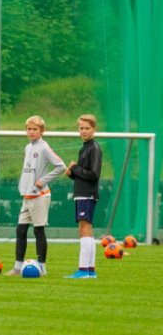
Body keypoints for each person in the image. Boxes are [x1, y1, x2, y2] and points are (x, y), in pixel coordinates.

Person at [7, 115, 66, 276]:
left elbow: (61, 166)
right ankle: (17, 267)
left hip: (40, 196)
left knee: (38, 231)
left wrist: (43, 180)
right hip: (27, 196)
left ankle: (42, 266)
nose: (31, 132)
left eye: (35, 129)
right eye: (29, 129)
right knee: (20, 231)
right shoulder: (28, 147)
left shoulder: (44, 147)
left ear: (42, 131)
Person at [64, 114, 102, 279]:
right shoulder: (84, 148)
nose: (84, 131)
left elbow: (93, 174)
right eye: (81, 128)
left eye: (87, 128)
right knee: (86, 229)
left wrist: (75, 168)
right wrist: (72, 173)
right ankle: (90, 270)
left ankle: (84, 270)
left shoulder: (94, 148)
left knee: (84, 229)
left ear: (94, 129)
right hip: (82, 193)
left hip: (87, 194)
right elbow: (83, 175)